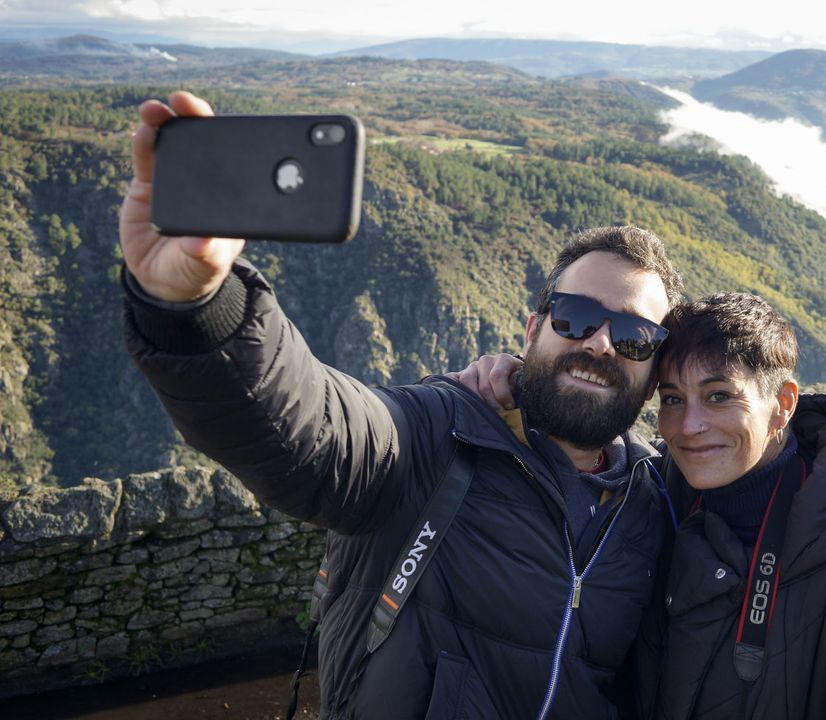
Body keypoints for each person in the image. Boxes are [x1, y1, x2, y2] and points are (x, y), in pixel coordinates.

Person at [119, 91, 683, 719]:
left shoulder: (657, 502)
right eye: (576, 317)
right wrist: (197, 307)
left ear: (656, 370)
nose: (601, 343)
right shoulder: (434, 439)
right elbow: (309, 424)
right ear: (531, 332)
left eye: (634, 336)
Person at [457, 293, 826, 718]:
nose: (688, 426)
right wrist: (520, 384)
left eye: (718, 396)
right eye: (672, 399)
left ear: (782, 404)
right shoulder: (649, 499)